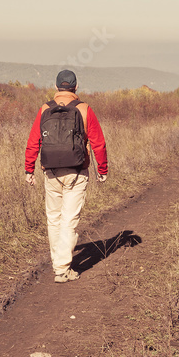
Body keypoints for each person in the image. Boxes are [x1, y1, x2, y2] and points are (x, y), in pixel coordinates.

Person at [24, 69, 108, 283]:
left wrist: (29, 169)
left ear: (56, 88)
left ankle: (58, 263)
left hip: (50, 172)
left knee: (54, 219)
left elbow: (34, 141)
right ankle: (62, 269)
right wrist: (103, 169)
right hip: (77, 172)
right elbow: (98, 143)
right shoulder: (84, 109)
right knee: (69, 220)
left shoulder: (45, 109)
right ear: (76, 87)